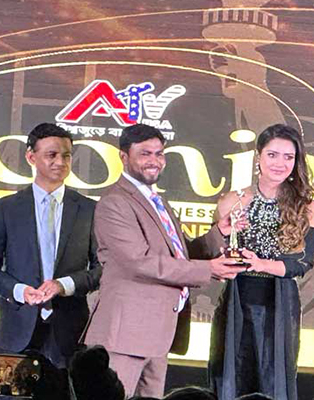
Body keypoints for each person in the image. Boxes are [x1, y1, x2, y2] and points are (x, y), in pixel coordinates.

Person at [84, 123, 246, 398]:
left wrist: (219, 232)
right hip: (125, 336)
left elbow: (179, 254)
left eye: (159, 153)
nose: (154, 160)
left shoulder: (157, 201)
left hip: (158, 335)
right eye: (145, 153)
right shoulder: (115, 202)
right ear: (123, 156)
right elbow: (140, 262)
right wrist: (208, 269)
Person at [208, 124, 314, 400]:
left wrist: (261, 264)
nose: (280, 163)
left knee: (274, 380)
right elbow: (212, 254)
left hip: (279, 302)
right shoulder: (232, 201)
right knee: (230, 376)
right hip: (236, 300)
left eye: (288, 157)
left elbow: (303, 263)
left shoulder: (307, 207)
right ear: (258, 156)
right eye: (272, 155)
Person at [0, 123, 102, 368]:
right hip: (15, 328)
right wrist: (19, 290)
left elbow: (103, 268)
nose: (60, 162)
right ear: (31, 157)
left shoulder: (89, 209)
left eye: (66, 156)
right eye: (51, 155)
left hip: (69, 330)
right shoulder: (8, 208)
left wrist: (64, 285)